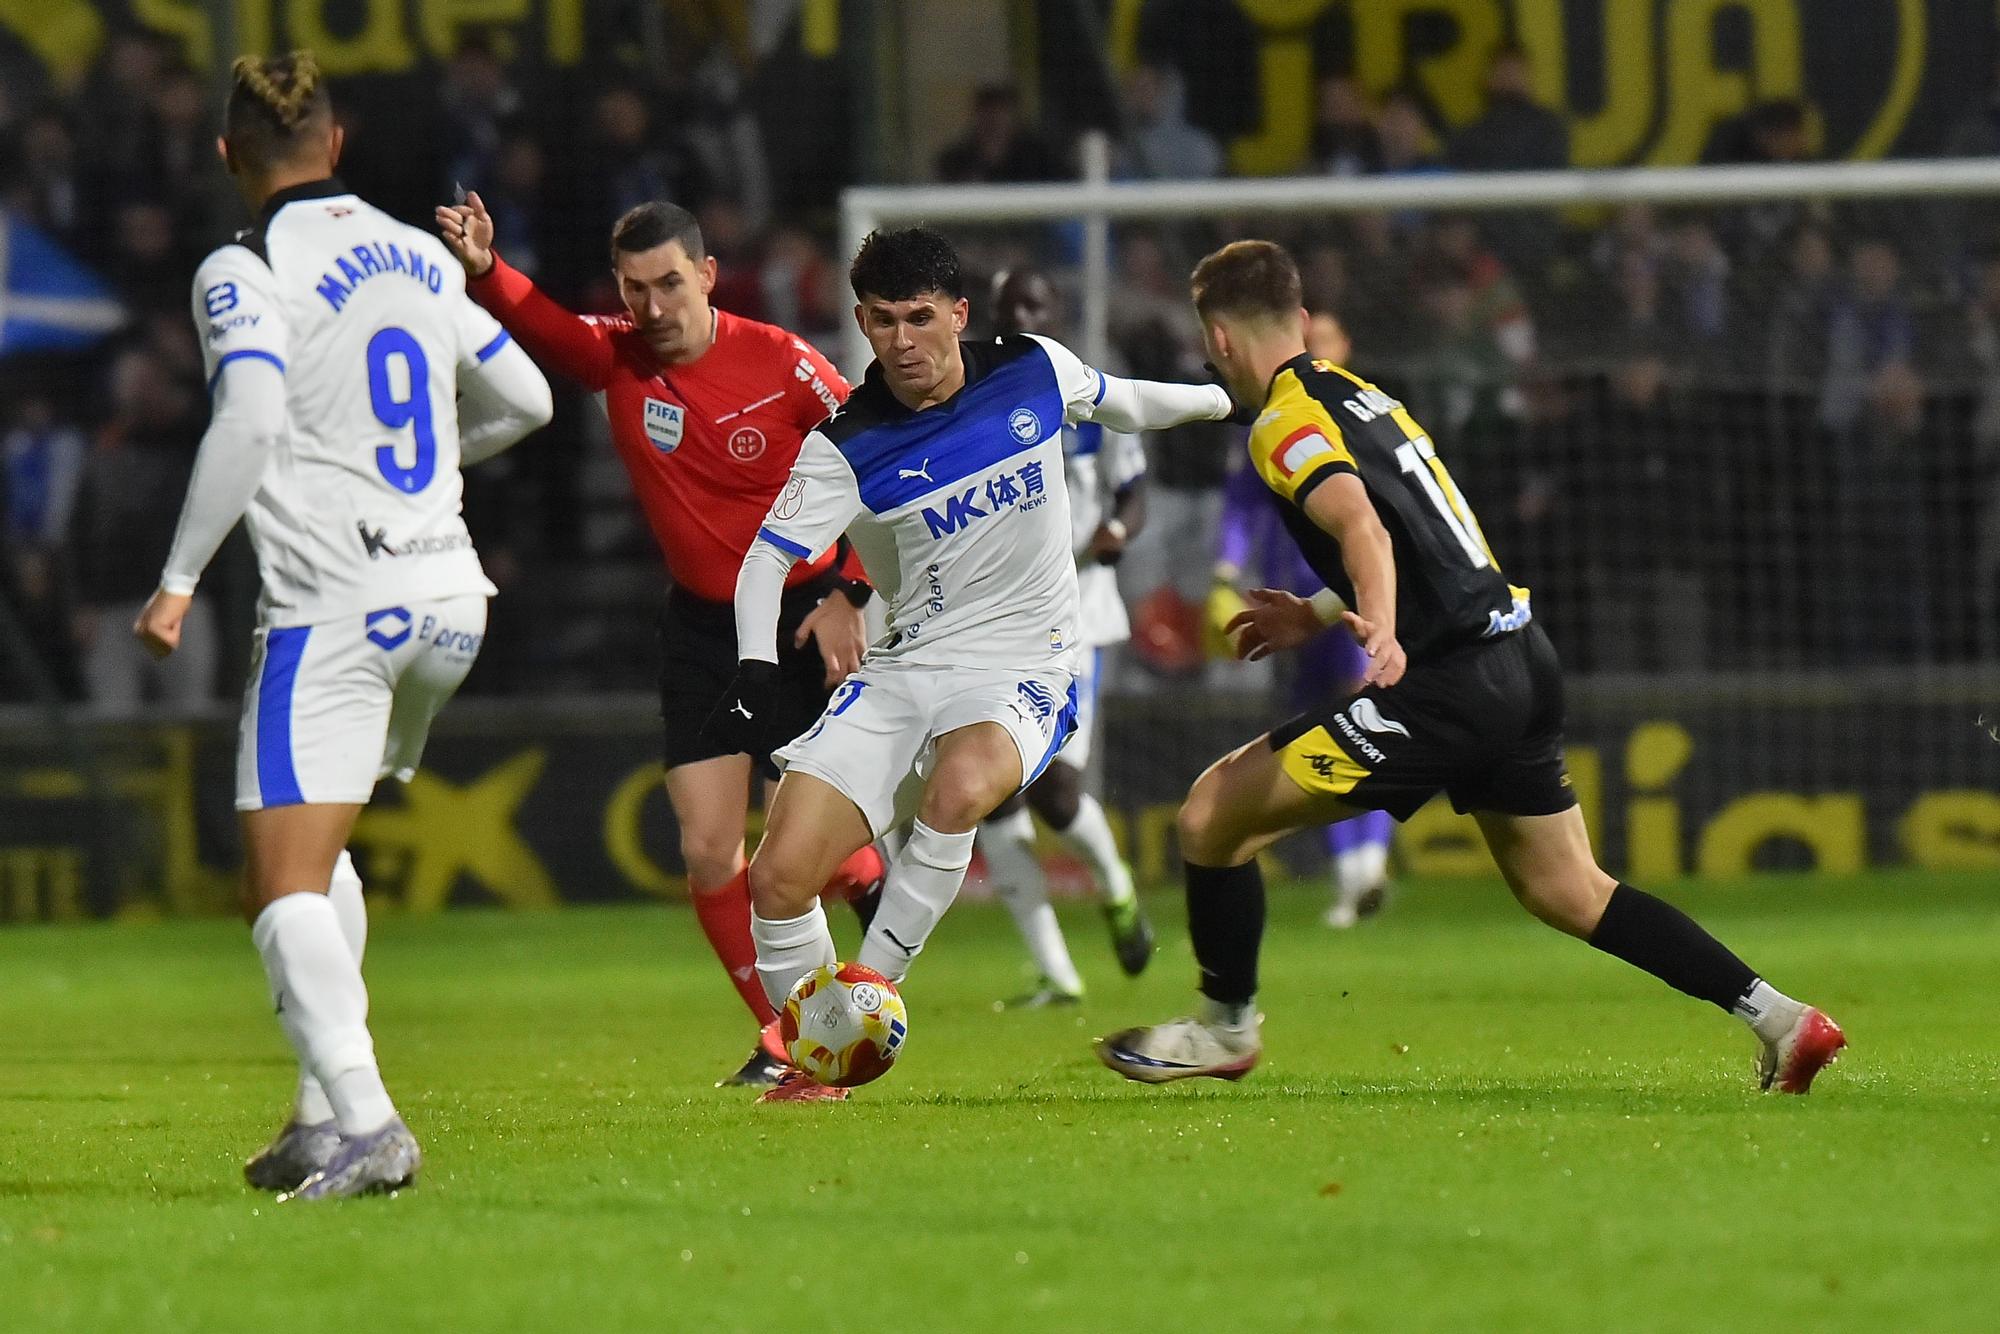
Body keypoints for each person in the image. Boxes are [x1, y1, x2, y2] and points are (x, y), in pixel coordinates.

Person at [1095, 240, 1846, 1095]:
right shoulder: (1367, 399)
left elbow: (1362, 530)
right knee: (1569, 889)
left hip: (1451, 684)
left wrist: (1372, 619)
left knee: (1209, 817)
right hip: (1520, 656)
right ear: (1301, 322)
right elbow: (1433, 540)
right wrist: (1318, 612)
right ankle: (1784, 1020)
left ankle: (1226, 1029)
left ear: (1219, 342)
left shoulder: (1282, 424)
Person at [133, 51, 555, 1198]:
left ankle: (369, 1123)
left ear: (229, 157)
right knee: (322, 848)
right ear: (337, 145)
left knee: (277, 882)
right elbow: (530, 399)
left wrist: (176, 579)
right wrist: (416, 475)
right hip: (449, 598)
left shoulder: (244, 264)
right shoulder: (419, 253)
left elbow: (252, 417)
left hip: (336, 606)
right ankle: (321, 1115)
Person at [705, 227, 1235, 1101]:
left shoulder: (1031, 369)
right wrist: (756, 669)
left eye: (920, 317)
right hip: (907, 663)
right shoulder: (847, 444)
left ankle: (865, 1010)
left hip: (1027, 661)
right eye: (882, 322)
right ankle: (818, 1054)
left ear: (958, 314)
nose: (903, 341)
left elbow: (1123, 400)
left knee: (961, 790)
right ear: (862, 325)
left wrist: (1227, 401)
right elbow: (765, 561)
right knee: (779, 875)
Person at [435, 188, 886, 1089]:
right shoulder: (620, 358)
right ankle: (784, 1033)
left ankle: (865, 876)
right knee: (709, 847)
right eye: (635, 288)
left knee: (805, 846)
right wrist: (485, 270)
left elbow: (880, 472)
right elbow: (552, 330)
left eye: (669, 284)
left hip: (799, 618)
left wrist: (849, 592)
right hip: (696, 627)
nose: (653, 306)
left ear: (708, 277)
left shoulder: (788, 365)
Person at [975, 267, 1154, 1007]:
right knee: (992, 795)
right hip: (992, 623)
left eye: (1037, 306)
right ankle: (1056, 971)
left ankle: (1115, 885)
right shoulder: (971, 402)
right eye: (1013, 307)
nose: (1025, 316)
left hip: (1076, 622)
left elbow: (1134, 493)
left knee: (1054, 791)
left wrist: (1117, 529)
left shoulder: (1088, 395)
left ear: (1057, 313)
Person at [1210, 310, 1393, 927]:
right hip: (1290, 605)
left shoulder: (1360, 419)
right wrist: (1225, 575)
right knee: (1313, 729)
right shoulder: (1272, 423)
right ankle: (1356, 872)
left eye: (1324, 345)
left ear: (1345, 347)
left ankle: (1364, 868)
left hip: (1349, 600)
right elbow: (1241, 509)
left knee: (1359, 719)